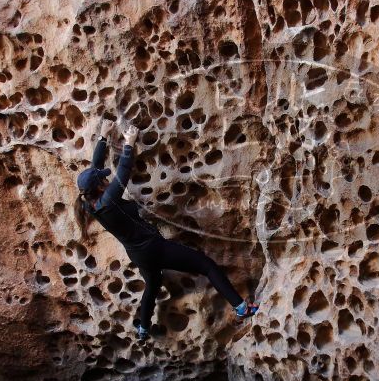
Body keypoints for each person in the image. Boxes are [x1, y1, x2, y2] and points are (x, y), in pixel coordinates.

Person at [74, 121, 258, 340]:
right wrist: (129, 144)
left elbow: (94, 169)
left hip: (138, 254)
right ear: (100, 187)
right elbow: (123, 172)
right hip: (154, 248)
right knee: (206, 265)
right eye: (103, 179)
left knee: (152, 285)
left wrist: (103, 138)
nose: (105, 178)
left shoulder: (89, 203)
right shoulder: (108, 201)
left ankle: (143, 329)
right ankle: (240, 308)